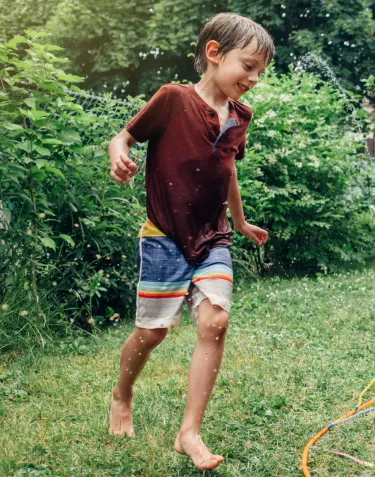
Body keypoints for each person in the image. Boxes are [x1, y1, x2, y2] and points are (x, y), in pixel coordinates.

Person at [106, 12, 273, 471]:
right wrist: (118, 154)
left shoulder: (241, 115)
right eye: (249, 66)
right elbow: (122, 137)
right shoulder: (172, 99)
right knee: (152, 332)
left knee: (214, 320)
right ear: (215, 53)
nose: (255, 78)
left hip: (213, 235)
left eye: (262, 72)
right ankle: (122, 392)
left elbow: (228, 168)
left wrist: (238, 222)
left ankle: (189, 432)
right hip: (163, 236)